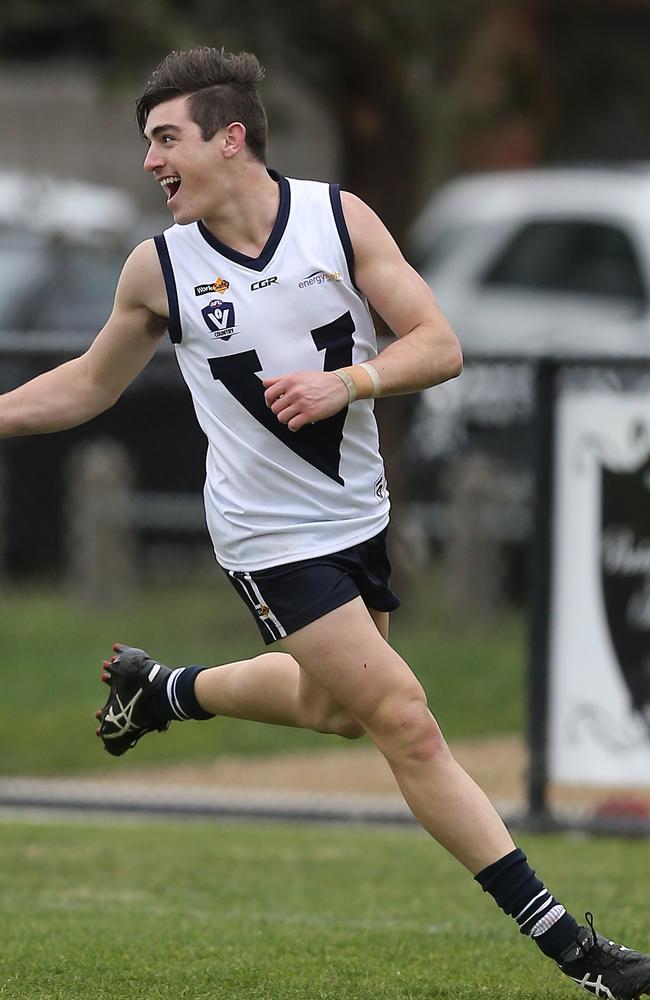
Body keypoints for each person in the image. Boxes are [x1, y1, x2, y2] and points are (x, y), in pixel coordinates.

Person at [2, 46, 649, 1000]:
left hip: (357, 516)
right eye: (147, 143)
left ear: (231, 139)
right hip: (267, 539)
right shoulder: (160, 268)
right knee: (406, 723)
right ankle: (577, 952)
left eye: (165, 138)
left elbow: (439, 344)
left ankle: (163, 692)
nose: (150, 161)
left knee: (333, 711)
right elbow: (87, 386)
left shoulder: (337, 219)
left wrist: (350, 380)